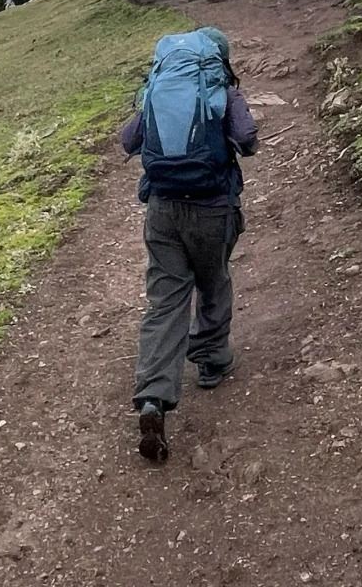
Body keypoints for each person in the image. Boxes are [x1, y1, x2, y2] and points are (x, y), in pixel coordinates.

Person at [120, 26, 258, 462]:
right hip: (212, 208)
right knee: (213, 280)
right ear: (220, 60)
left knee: (165, 301)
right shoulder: (222, 91)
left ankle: (153, 397)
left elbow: (127, 140)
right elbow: (247, 141)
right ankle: (211, 359)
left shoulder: (158, 90)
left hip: (162, 211)